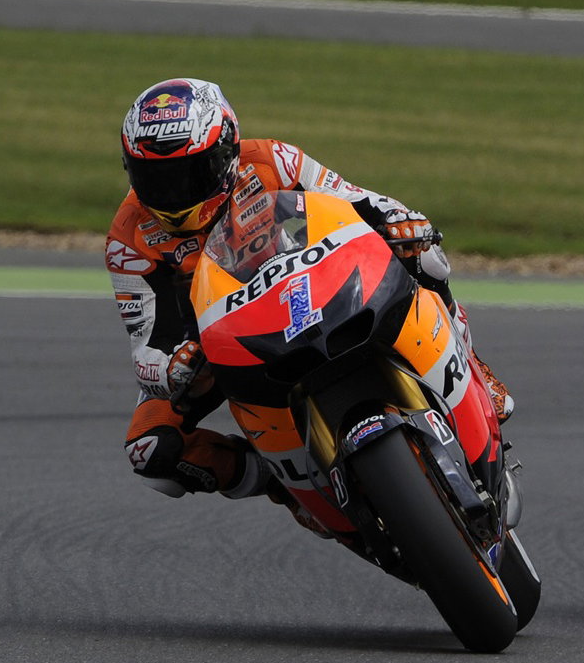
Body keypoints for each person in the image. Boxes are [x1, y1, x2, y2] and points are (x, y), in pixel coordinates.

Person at [107, 77, 511, 518]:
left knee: (425, 253)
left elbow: (356, 200)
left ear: (226, 153)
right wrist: (175, 365)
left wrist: (399, 220)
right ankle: (276, 480)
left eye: (189, 175)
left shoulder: (272, 159)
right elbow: (146, 344)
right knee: (150, 450)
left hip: (309, 282)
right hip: (217, 343)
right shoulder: (127, 239)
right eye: (156, 180)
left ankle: (472, 364)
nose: (173, 195)